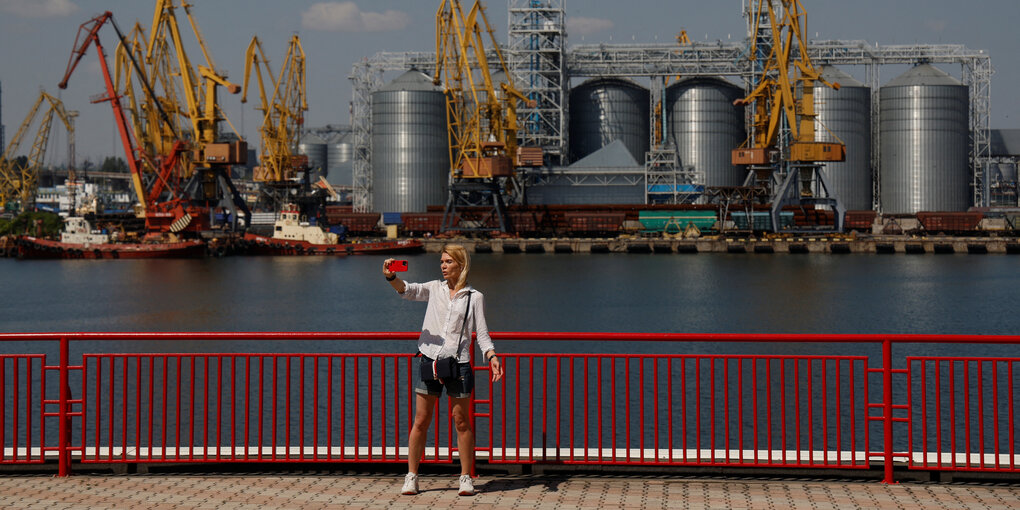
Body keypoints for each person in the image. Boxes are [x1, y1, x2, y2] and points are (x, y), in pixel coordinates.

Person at [382, 245, 504, 497]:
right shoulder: (435, 289)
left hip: (458, 364)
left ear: (461, 264)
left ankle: (465, 477)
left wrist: (491, 356)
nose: (443, 265)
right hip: (430, 361)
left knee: (461, 422)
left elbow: (481, 334)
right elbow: (408, 291)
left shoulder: (474, 297)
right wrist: (392, 277)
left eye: (448, 261)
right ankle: (412, 476)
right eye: (441, 261)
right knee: (420, 421)